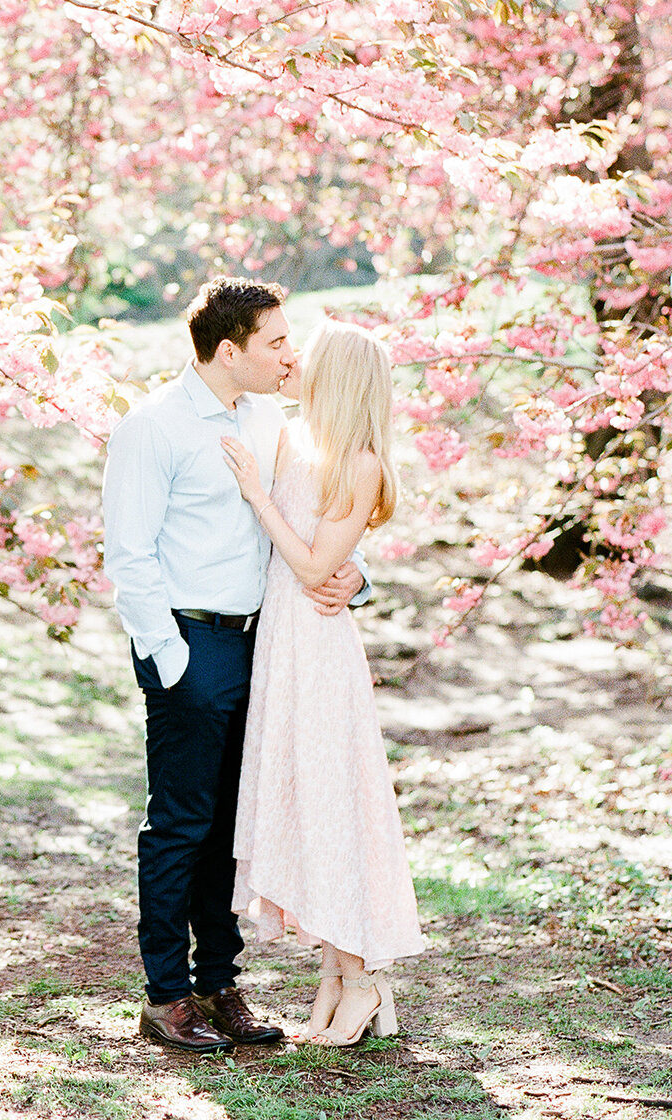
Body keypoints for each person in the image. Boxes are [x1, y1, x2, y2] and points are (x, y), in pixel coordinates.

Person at [101, 278, 367, 1053]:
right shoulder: (152, 427)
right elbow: (130, 555)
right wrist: (173, 660)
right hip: (193, 643)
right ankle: (166, 995)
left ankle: (221, 984)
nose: (292, 355)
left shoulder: (269, 419)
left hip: (269, 640)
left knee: (232, 821)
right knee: (182, 824)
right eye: (276, 342)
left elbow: (312, 520)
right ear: (229, 350)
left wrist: (358, 576)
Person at [220, 320, 426, 1047]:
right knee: (306, 803)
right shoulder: (293, 440)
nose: (291, 358)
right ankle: (337, 974)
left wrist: (257, 494)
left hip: (319, 648)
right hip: (281, 641)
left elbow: (314, 567)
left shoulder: (360, 461)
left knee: (335, 803)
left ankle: (363, 975)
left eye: (305, 353)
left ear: (337, 375)